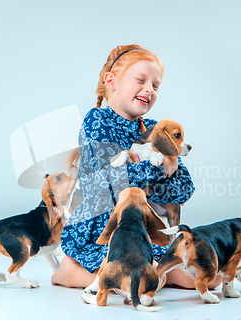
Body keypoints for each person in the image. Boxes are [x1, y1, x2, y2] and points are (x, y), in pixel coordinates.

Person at [51, 44, 221, 290]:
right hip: (106, 231)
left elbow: (185, 188)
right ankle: (69, 272)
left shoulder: (155, 128)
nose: (149, 89)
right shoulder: (97, 120)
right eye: (141, 80)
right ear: (111, 81)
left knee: (213, 278)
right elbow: (104, 184)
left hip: (146, 230)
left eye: (155, 85)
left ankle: (161, 271)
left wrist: (144, 189)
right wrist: (158, 172)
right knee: (144, 282)